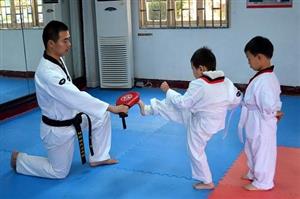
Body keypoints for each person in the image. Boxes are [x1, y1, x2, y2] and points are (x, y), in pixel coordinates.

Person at [10, 20, 128, 179]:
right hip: (57, 130)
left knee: (100, 116)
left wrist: (105, 109)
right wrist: (112, 107)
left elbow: (73, 97)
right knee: (58, 172)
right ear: (51, 43)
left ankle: (99, 157)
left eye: (69, 39)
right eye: (65, 40)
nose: (69, 44)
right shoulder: (48, 73)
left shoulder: (57, 59)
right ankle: (20, 160)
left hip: (73, 118)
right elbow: (75, 95)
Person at [138, 47, 242, 190]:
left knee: (195, 150)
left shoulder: (199, 83)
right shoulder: (226, 81)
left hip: (201, 124)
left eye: (193, 69)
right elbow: (237, 99)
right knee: (172, 108)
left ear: (201, 68)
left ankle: (207, 181)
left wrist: (167, 90)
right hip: (213, 120)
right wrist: (221, 106)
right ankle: (148, 110)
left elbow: (183, 102)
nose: (193, 73)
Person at [238, 36, 283, 191]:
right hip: (254, 118)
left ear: (260, 57)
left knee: (262, 150)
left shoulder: (266, 79)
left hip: (262, 121)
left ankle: (263, 181)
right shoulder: (263, 76)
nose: (248, 62)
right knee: (251, 147)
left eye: (249, 59)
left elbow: (270, 104)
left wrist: (274, 113)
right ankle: (253, 172)